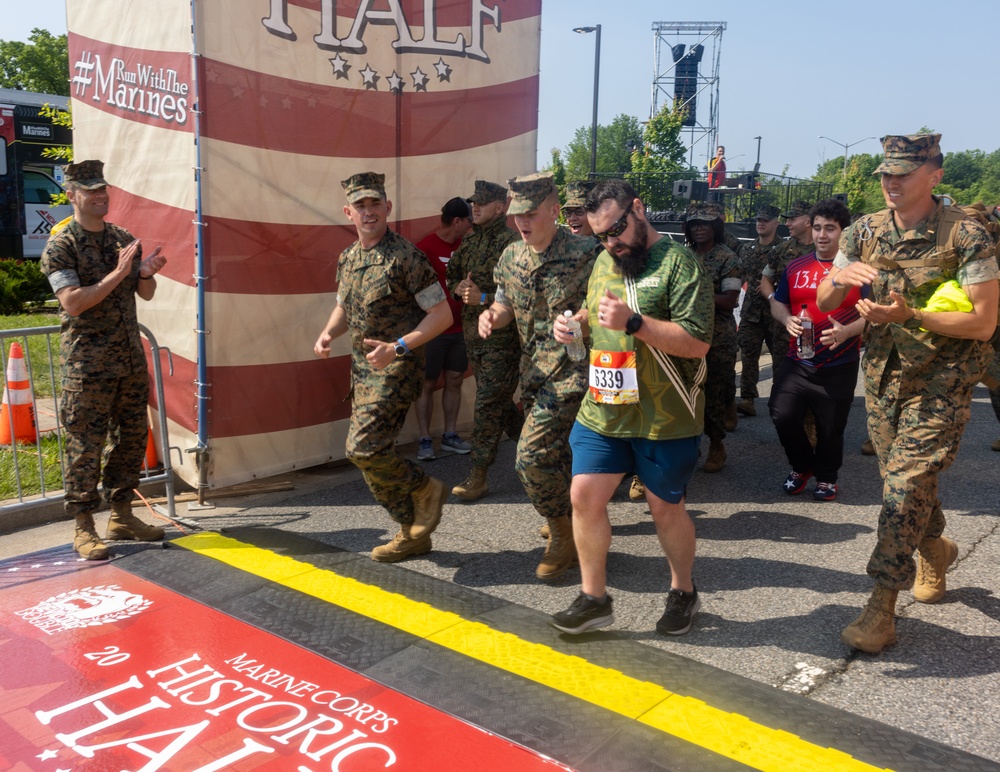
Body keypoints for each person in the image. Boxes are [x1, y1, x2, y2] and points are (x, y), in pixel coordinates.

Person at [817, 134, 999, 653]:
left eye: (903, 173)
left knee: (904, 484)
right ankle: (936, 546)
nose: (891, 183)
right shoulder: (866, 229)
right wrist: (840, 278)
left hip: (944, 379)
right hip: (882, 376)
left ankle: (881, 607)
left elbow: (984, 322)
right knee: (904, 483)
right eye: (885, 174)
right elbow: (829, 298)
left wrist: (913, 315)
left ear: (934, 176)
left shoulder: (966, 234)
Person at [549, 179, 713, 636]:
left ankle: (684, 590)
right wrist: (573, 326)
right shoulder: (604, 259)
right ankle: (594, 598)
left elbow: (698, 343)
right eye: (601, 234)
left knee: (665, 509)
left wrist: (634, 322)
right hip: (606, 407)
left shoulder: (680, 264)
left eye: (617, 229)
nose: (611, 241)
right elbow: (592, 314)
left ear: (639, 208)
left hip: (664, 415)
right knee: (583, 495)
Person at [313, 172, 452, 563]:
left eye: (375, 204)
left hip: (397, 369)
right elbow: (344, 306)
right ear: (348, 212)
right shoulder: (349, 257)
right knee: (367, 455)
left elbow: (440, 316)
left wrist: (399, 347)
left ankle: (425, 489)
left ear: (388, 208)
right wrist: (328, 333)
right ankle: (411, 531)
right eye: (360, 206)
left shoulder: (406, 257)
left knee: (363, 448)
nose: (369, 212)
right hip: (363, 371)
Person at [39, 160, 168, 560]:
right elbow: (74, 303)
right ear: (71, 195)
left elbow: (144, 294)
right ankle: (83, 527)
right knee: (85, 448)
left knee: (129, 442)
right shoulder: (63, 245)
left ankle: (122, 516)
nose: (100, 196)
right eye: (91, 190)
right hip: (88, 367)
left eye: (103, 189)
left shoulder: (121, 238)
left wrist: (144, 273)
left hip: (128, 361)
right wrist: (119, 272)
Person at [478, 172, 597, 580]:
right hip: (534, 374)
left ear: (553, 210)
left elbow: (605, 304)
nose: (521, 223)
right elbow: (504, 301)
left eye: (530, 213)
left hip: (575, 372)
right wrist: (491, 316)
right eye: (516, 215)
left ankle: (562, 534)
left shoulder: (587, 253)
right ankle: (574, 523)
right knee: (557, 456)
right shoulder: (512, 256)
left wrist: (582, 320)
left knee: (529, 457)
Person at [768, 199, 865, 502]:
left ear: (843, 232)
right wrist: (787, 319)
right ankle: (802, 467)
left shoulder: (858, 272)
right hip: (798, 359)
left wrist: (847, 331)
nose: (823, 235)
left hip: (840, 361)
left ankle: (827, 477)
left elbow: (873, 313)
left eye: (831, 229)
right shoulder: (796, 266)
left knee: (830, 428)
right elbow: (777, 300)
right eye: (819, 227)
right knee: (780, 414)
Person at [446, 180, 523, 501]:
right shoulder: (470, 241)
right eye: (472, 203)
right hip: (473, 338)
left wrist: (485, 296)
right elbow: (453, 276)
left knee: (488, 401)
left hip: (502, 340)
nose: (474, 208)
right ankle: (535, 445)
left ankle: (479, 474)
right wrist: (458, 289)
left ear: (500, 207)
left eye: (482, 203)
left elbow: (522, 293)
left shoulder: (513, 243)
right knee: (497, 401)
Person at [414, 197, 474, 461]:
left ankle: (450, 436)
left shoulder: (467, 246)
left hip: (461, 330)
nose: (472, 227)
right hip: (432, 331)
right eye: (469, 221)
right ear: (457, 221)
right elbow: (414, 289)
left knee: (454, 380)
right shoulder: (425, 247)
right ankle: (425, 439)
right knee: (426, 384)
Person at [683, 201, 741, 472]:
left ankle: (717, 445)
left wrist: (696, 292)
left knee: (715, 393)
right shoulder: (682, 256)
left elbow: (730, 300)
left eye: (705, 223)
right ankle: (689, 445)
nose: (699, 229)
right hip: (686, 333)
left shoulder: (728, 258)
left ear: (715, 226)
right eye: (694, 224)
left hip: (718, 337)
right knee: (687, 392)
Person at [736, 205, 785, 417]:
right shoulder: (747, 249)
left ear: (776, 223)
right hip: (751, 312)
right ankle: (747, 399)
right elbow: (740, 275)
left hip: (776, 312)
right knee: (748, 356)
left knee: (780, 358)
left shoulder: (784, 249)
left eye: (765, 220)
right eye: (758, 220)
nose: (760, 223)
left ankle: (780, 399)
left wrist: (773, 287)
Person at [761, 200, 815, 378]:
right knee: (783, 378)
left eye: (792, 219)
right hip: (785, 328)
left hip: (818, 327)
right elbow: (765, 280)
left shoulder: (825, 248)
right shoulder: (782, 250)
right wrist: (773, 299)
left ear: (808, 222)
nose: (787, 224)